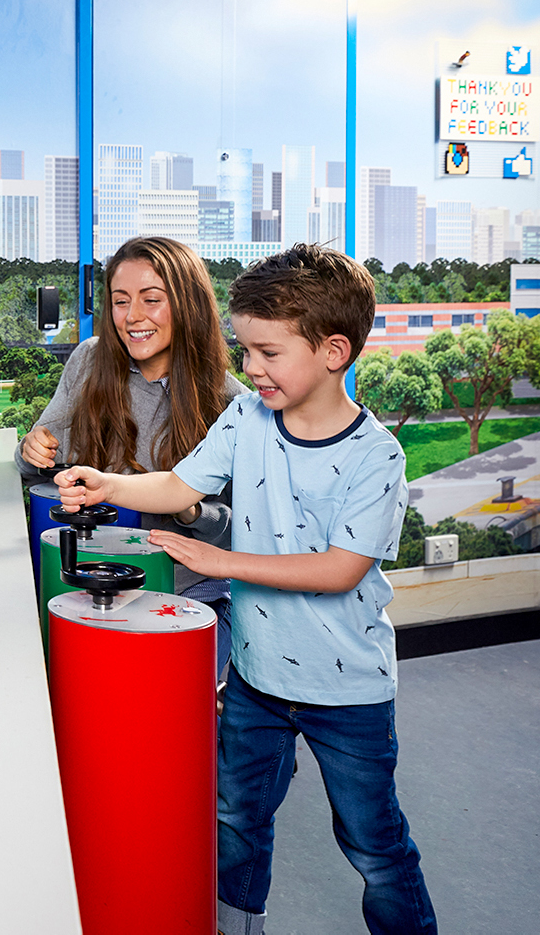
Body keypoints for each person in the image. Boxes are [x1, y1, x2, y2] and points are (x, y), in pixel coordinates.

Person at [55, 244, 435, 934]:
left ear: (333, 351)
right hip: (256, 680)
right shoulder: (245, 419)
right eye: (245, 349)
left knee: (374, 846)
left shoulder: (377, 456)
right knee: (236, 819)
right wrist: (108, 483)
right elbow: (178, 484)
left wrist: (221, 562)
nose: (250, 368)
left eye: (266, 353)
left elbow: (339, 570)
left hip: (346, 693)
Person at [19, 235, 247, 677]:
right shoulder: (90, 361)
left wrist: (190, 509)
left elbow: (241, 535)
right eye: (120, 301)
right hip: (92, 575)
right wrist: (32, 449)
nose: (132, 317)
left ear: (188, 304)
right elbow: (38, 457)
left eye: (151, 299)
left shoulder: (229, 403)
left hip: (186, 592)